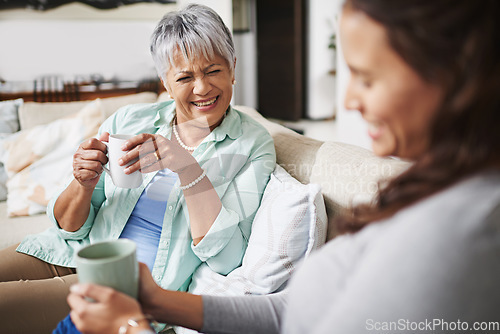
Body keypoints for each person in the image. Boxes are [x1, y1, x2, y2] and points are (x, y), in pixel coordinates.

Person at [62, 0, 500, 333]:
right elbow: (286, 313)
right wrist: (156, 303)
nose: (347, 100)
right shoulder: (427, 190)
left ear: (450, 76)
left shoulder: (463, 230)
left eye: (367, 77)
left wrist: (131, 325)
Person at [0, 4, 276, 333]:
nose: (202, 88)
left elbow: (227, 257)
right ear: (166, 83)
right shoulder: (130, 120)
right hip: (64, 250)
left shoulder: (251, 144)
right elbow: (67, 228)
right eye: (185, 77)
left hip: (119, 284)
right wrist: (82, 182)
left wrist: (188, 169)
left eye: (213, 70)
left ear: (233, 67)